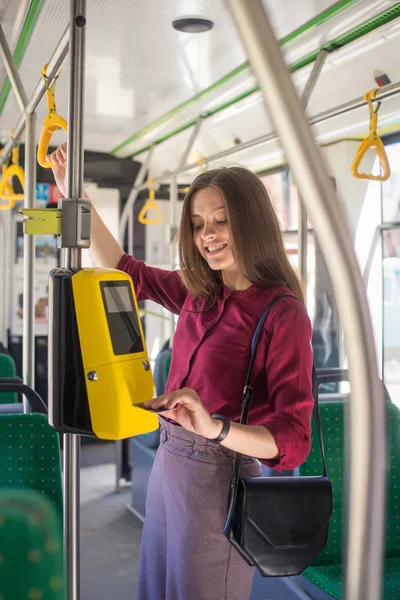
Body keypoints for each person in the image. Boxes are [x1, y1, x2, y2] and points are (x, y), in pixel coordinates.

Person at [48, 143, 314, 600]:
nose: (207, 235)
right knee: (156, 590)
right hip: (170, 466)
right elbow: (123, 269)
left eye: (220, 220)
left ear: (251, 222)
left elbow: (292, 441)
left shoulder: (281, 312)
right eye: (197, 225)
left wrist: (215, 427)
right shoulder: (198, 293)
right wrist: (74, 191)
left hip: (219, 478)